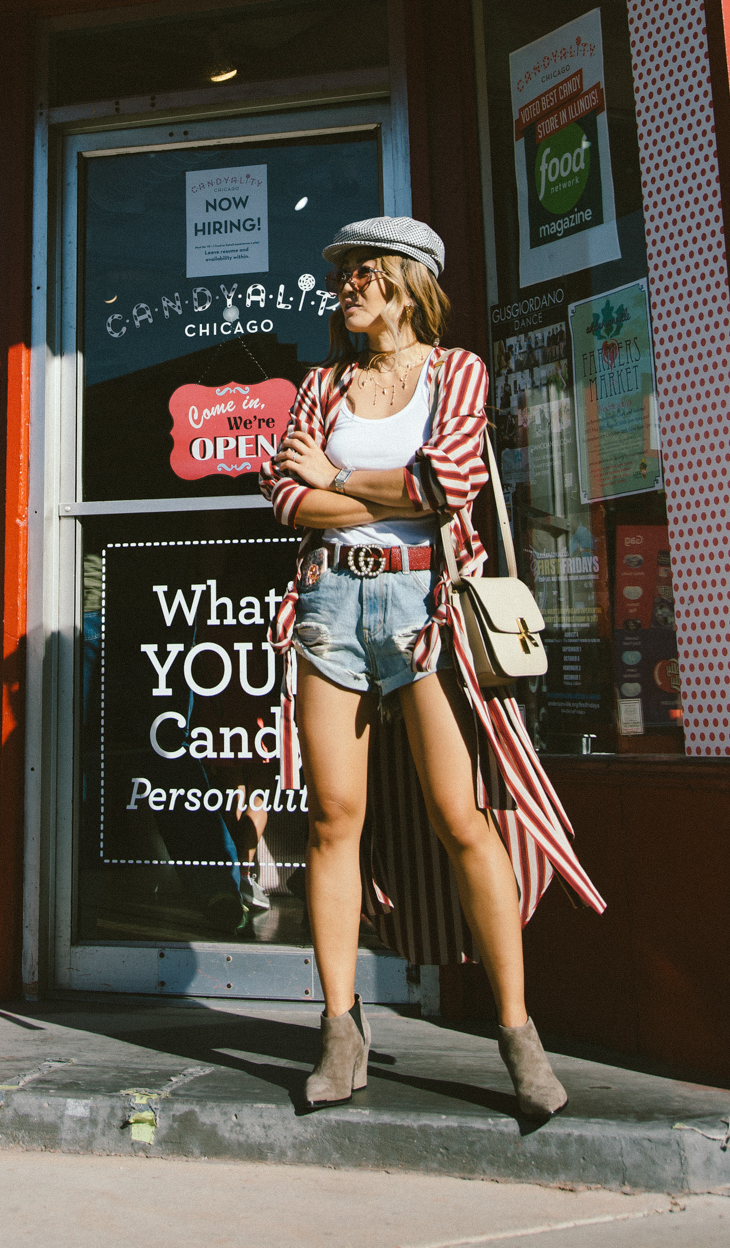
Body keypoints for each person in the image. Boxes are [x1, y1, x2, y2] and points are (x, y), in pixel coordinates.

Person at [259, 215, 603, 1117]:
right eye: (342, 277)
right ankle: (340, 1028)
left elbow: (446, 485)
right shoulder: (322, 383)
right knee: (334, 817)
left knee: (462, 814)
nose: (346, 288)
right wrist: (352, 490)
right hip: (331, 604)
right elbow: (283, 497)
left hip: (427, 609)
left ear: (407, 281)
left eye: (362, 273)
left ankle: (518, 1033)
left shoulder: (456, 372)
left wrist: (333, 476)